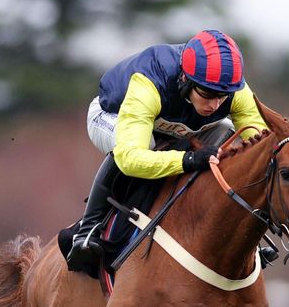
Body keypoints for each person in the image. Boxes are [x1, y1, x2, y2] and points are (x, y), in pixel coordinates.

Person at [66, 29, 268, 273]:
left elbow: (261, 147)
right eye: (207, 94)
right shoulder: (149, 83)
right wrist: (189, 159)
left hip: (172, 124)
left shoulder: (235, 91)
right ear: (184, 79)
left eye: (222, 97)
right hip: (111, 115)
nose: (215, 104)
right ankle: (87, 230)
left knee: (224, 129)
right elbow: (130, 158)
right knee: (144, 146)